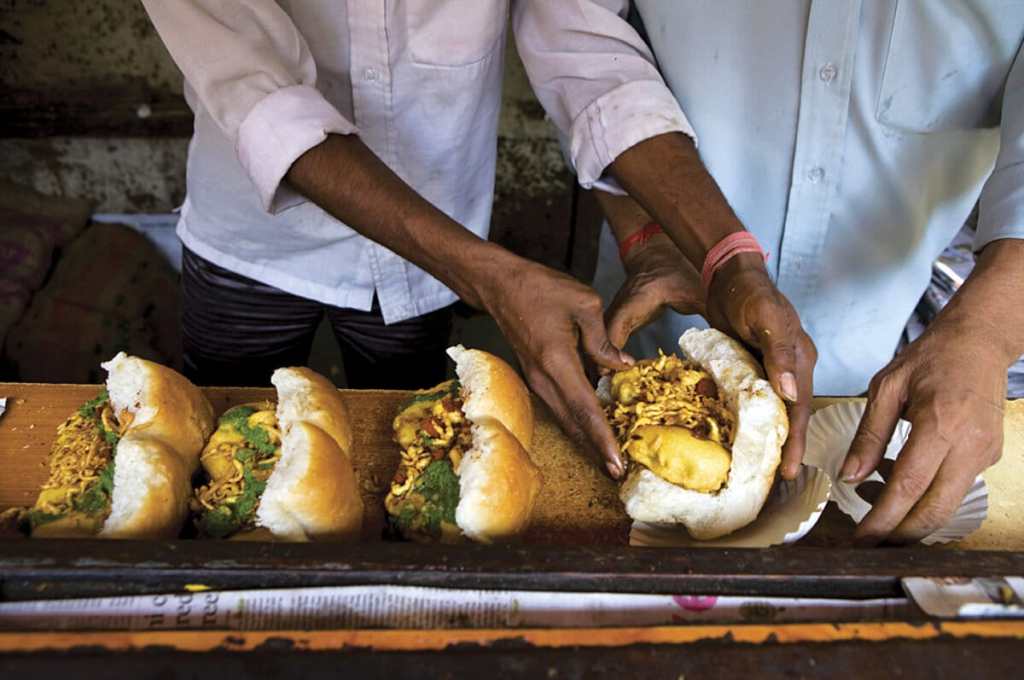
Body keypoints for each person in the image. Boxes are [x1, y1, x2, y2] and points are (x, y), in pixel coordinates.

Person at [141, 1, 811, 479]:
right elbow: (269, 104)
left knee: (410, 444)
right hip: (253, 239)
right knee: (215, 443)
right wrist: (487, 275)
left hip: (430, 253)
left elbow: (581, 38)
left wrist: (727, 257)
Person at [588, 1, 1024, 545]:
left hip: (868, 353)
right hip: (650, 293)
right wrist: (650, 239)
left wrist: (987, 330)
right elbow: (582, 37)